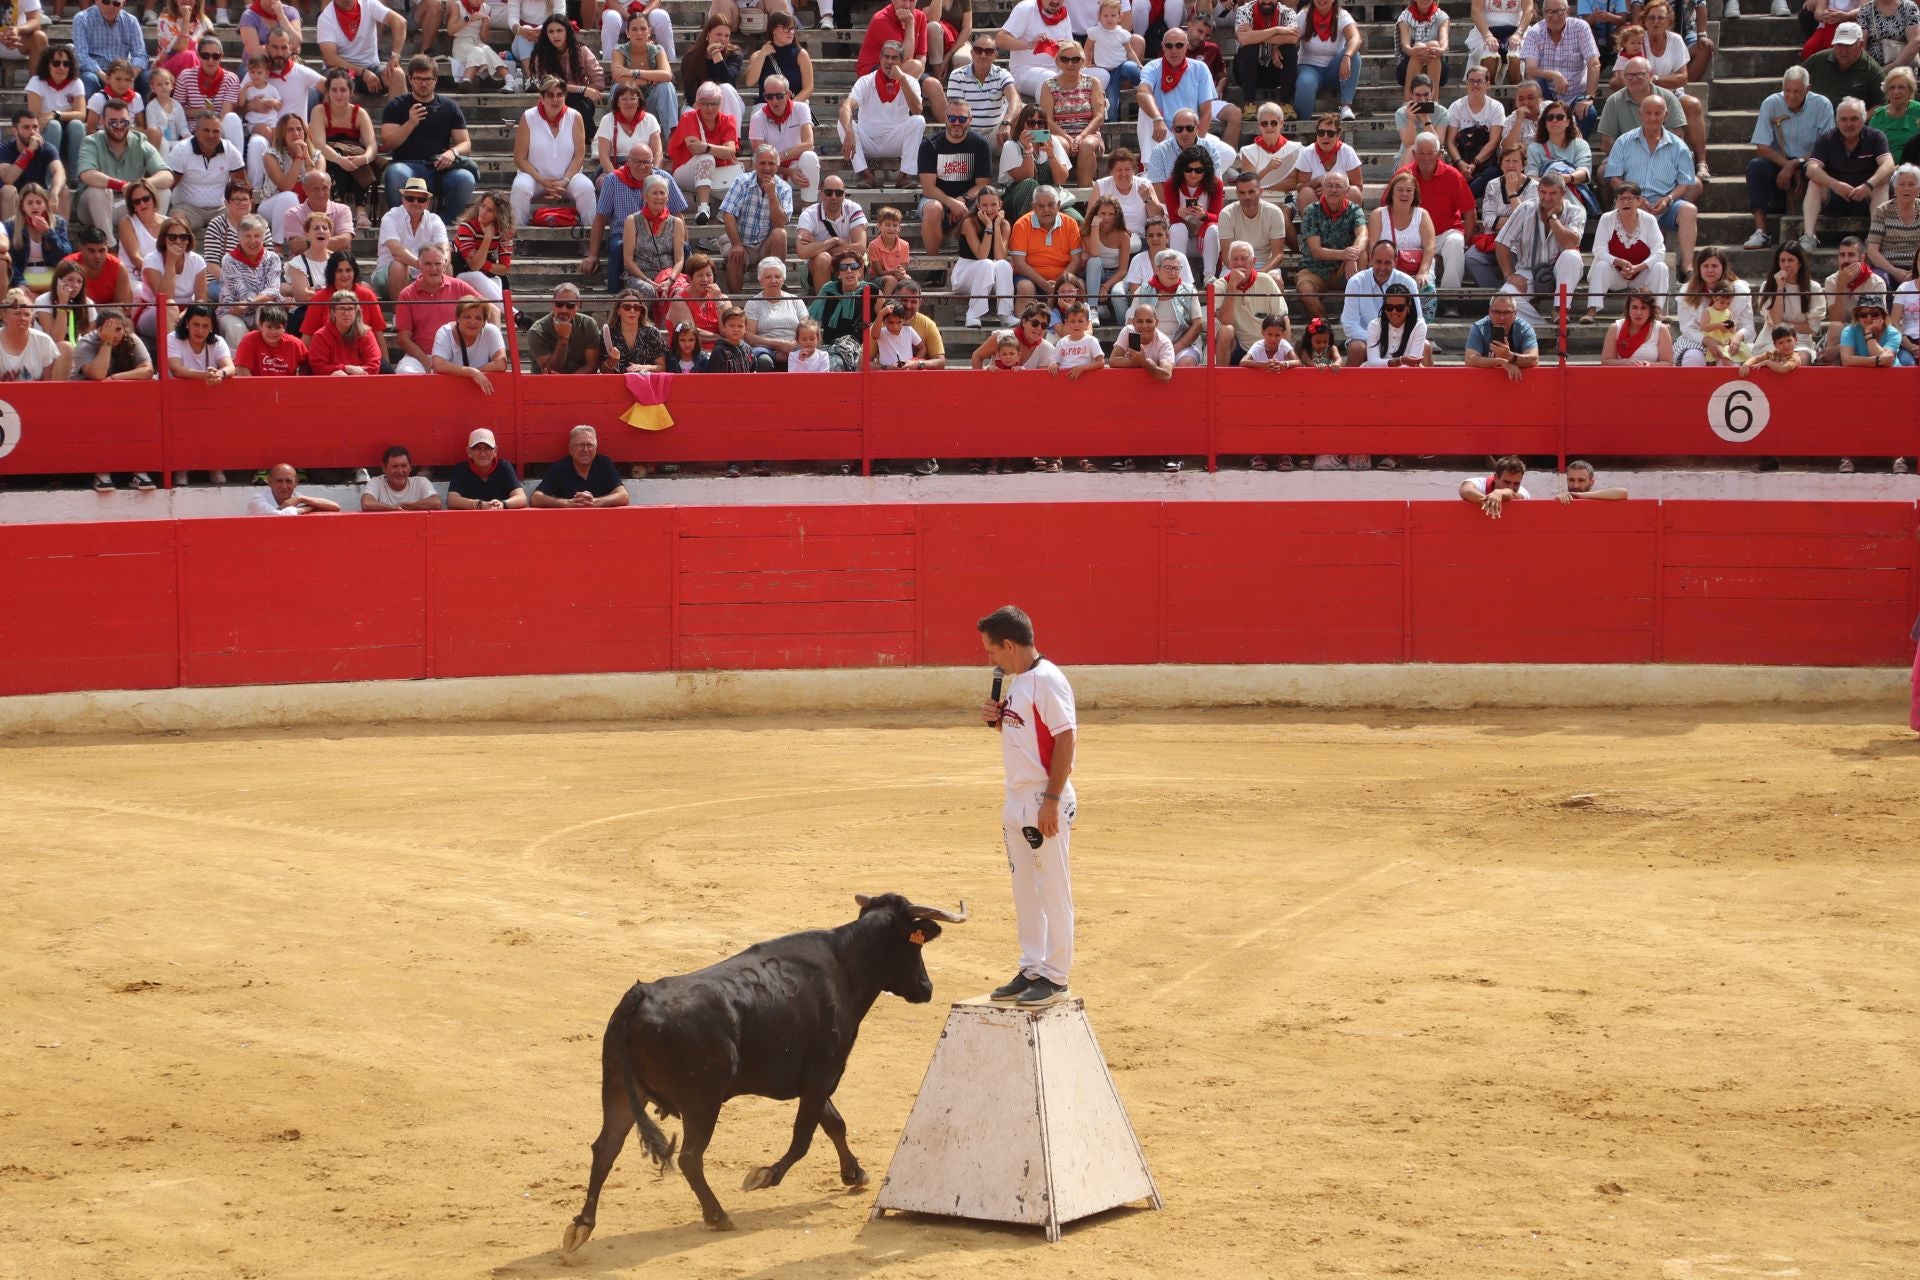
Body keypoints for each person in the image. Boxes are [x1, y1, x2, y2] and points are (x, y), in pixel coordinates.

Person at [977, 604, 1078, 1009]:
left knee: (1052, 888)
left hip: (1042, 799)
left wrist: (1052, 800)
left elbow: (1067, 739)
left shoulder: (1048, 680)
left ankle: (1056, 976)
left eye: (992, 651)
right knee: (1025, 890)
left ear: (1009, 645)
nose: (990, 659)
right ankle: (1032, 967)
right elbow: (1026, 733)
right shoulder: (1018, 682)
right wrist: (997, 720)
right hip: (1018, 798)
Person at [1601, 91, 1699, 271]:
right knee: (1623, 206)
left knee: (1689, 210)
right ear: (1640, 114)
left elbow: (1685, 182)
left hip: (1665, 204)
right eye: (1648, 112)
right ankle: (1624, 264)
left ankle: (1687, 266)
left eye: (1658, 113)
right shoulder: (1624, 141)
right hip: (1632, 200)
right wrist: (1634, 198)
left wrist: (1669, 199)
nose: (1653, 118)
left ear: (1666, 115)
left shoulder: (1679, 146)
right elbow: (1614, 177)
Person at [1745, 67, 1835, 250]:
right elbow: (1762, 147)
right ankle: (1761, 230)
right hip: (1779, 160)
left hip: (1809, 159)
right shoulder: (1771, 103)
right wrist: (1787, 165)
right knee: (1756, 167)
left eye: (1797, 91)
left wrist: (1796, 163)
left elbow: (1826, 147)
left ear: (1807, 89)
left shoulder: (1822, 105)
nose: (1791, 96)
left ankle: (1810, 232)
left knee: (1814, 169)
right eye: (1787, 91)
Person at [379, 55, 476, 220]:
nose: (423, 83)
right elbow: (388, 143)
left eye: (428, 79)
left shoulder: (449, 107)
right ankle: (401, 223)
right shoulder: (396, 106)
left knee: (465, 178)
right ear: (410, 79)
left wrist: (452, 153)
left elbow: (466, 144)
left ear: (435, 80)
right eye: (418, 79)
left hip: (439, 168)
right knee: (394, 173)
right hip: (407, 166)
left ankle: (442, 224)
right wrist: (410, 123)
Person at [1484, 171, 1585, 324]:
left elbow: (1571, 243)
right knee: (1505, 296)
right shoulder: (1526, 208)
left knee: (1572, 256)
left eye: (1552, 193)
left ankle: (1559, 310)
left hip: (1561, 271)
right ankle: (1543, 327)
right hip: (1528, 270)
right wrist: (1510, 275)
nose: (1546, 197)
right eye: (1543, 192)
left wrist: (1553, 218)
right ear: (1538, 191)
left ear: (1563, 193)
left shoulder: (1575, 211)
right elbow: (1501, 242)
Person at [582, 145, 684, 296]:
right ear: (628, 161)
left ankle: (684, 289)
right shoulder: (613, 180)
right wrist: (592, 254)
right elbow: (600, 217)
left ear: (652, 162)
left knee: (685, 249)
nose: (642, 166)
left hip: (660, 230)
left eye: (646, 162)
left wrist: (682, 239)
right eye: (637, 161)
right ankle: (615, 294)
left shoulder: (664, 179)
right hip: (623, 233)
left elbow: (678, 213)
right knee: (619, 247)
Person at [1802, 96, 1894, 252]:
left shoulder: (1875, 136)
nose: (1849, 124)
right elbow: (1811, 168)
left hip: (1865, 197)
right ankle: (1809, 235)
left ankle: (1874, 237)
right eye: (1844, 119)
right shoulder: (1826, 138)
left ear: (1864, 119)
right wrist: (1835, 185)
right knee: (1814, 183)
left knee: (1882, 184)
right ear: (1837, 121)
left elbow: (1889, 164)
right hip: (1835, 196)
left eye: (1854, 119)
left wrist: (1868, 185)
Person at [1398, 132, 1475, 306]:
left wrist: (1467, 242)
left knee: (1456, 242)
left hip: (1446, 233)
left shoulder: (1453, 175)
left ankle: (1450, 300)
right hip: (1415, 235)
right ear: (1414, 154)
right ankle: (1414, 301)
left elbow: (1470, 212)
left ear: (1439, 154)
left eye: (1430, 153)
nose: (1426, 158)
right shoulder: (1404, 175)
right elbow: (1389, 207)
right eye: (1422, 153)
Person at [512, 77, 597, 230]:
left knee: (587, 188)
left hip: (567, 178)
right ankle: (519, 238)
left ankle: (587, 239)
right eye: (550, 95)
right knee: (520, 188)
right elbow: (519, 158)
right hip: (535, 177)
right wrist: (541, 179)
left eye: (559, 95)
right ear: (541, 97)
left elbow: (579, 156)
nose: (555, 99)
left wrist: (565, 180)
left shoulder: (575, 117)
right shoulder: (529, 117)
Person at [838, 41, 925, 189]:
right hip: (868, 141)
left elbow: (917, 110)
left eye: (895, 58)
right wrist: (849, 132)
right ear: (880, 58)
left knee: (918, 121)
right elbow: (846, 106)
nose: (890, 61)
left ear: (902, 61)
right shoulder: (866, 81)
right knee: (843, 123)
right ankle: (867, 176)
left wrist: (902, 79)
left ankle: (904, 176)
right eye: (886, 57)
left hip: (896, 141)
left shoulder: (910, 82)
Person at [76, 99, 171, 233]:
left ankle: (152, 238)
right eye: (113, 122)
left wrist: (139, 186)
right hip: (93, 209)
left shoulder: (140, 141)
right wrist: (121, 185)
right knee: (99, 191)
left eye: (124, 122)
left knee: (163, 191)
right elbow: (87, 174)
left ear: (130, 120)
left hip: (129, 204)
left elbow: (167, 176)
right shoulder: (91, 142)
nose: (119, 126)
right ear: (102, 121)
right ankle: (108, 245)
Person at [1583, 183, 1668, 318]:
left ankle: (1657, 311)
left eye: (1630, 199)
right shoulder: (1607, 219)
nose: (1625, 202)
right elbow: (1598, 250)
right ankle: (1591, 311)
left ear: (1639, 201)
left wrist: (1638, 268)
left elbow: (1659, 251)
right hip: (1616, 276)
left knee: (1661, 267)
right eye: (1621, 199)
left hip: (1640, 277)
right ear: (1616, 201)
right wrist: (1618, 262)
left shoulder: (1649, 220)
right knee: (1601, 265)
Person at [392, 243, 479, 372]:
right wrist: (427, 362)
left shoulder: (459, 286)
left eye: (437, 264)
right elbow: (403, 338)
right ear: (419, 265)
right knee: (404, 372)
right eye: (428, 264)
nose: (433, 269)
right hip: (421, 357)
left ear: (444, 265)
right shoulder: (407, 294)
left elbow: (489, 307)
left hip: (457, 355)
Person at [718, 143, 790, 294]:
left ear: (777, 166)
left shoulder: (784, 188)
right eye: (762, 163)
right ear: (755, 164)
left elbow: (780, 224)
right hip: (741, 240)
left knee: (780, 234)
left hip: (766, 243)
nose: (767, 168)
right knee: (734, 255)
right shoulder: (741, 181)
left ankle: (776, 292)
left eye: (771, 163)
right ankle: (736, 302)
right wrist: (737, 244)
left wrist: (772, 195)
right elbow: (728, 214)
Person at [310, 67, 378, 227]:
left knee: (360, 160)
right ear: (328, 91)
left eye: (343, 90)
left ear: (350, 91)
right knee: (332, 162)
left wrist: (364, 158)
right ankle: (335, 208)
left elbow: (372, 144)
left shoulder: (359, 113)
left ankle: (361, 210)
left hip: (353, 155)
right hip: (329, 155)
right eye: (334, 90)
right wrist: (339, 159)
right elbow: (319, 143)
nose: (339, 95)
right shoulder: (319, 111)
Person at [668, 83, 743, 225]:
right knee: (705, 157)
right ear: (697, 104)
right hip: (686, 173)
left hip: (717, 173)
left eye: (714, 104)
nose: (710, 108)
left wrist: (706, 146)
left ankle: (721, 218)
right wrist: (718, 150)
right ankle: (703, 208)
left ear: (720, 104)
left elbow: (731, 151)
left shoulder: (728, 120)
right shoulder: (688, 118)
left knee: (748, 186)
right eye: (705, 103)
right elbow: (694, 148)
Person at [1295, 170, 1365, 316]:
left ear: (1347, 191)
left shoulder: (1355, 210)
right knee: (1305, 291)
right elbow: (1316, 250)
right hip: (1315, 269)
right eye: (1329, 185)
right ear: (1323, 189)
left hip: (1343, 269)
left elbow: (1363, 234)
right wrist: (1344, 254)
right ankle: (1325, 326)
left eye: (1338, 186)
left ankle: (1352, 316)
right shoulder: (1311, 211)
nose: (1333, 190)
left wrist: (1352, 256)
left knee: (1362, 254)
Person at [1672, 247, 1754, 366]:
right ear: (1698, 268)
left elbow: (1748, 326)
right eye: (1706, 266)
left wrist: (1737, 337)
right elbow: (1687, 328)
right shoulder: (1688, 291)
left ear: (1723, 268)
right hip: (1699, 340)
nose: (1710, 270)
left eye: (1715, 266)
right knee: (1692, 358)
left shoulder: (1739, 290)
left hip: (1729, 341)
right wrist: (1707, 341)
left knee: (1728, 362)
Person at [1340, 240, 1417, 361]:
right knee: (1356, 348)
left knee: (1426, 347)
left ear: (1395, 262)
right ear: (1370, 259)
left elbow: (1417, 319)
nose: (1382, 267)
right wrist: (1377, 341)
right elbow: (1350, 324)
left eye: (1387, 263)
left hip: (1401, 340)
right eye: (1378, 262)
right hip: (1365, 339)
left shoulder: (1408, 282)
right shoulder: (1356, 282)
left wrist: (1395, 342)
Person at [1212, 237, 1284, 364]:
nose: (1239, 263)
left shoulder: (1266, 280)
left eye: (1244, 258)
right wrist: (1232, 286)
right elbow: (1225, 320)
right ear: (1229, 262)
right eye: (1235, 259)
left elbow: (1283, 317)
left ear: (1253, 261)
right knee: (1225, 330)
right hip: (1237, 346)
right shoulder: (1220, 285)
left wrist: (1284, 354)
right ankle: (1220, 379)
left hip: (1266, 346)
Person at [314, 0, 407, 100]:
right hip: (343, 71)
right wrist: (362, 72)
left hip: (371, 68)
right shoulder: (326, 17)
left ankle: (399, 115)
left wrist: (395, 56)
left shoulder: (369, 3)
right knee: (335, 82)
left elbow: (399, 22)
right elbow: (330, 59)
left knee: (397, 74)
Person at [377, 176, 451, 300]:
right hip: (389, 277)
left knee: (448, 266)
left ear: (427, 203)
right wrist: (423, 266)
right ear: (403, 200)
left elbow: (445, 249)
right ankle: (398, 316)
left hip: (424, 273)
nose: (415, 203)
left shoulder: (435, 220)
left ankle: (441, 312)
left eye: (421, 199)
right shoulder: (391, 217)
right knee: (398, 265)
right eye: (410, 198)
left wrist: (442, 264)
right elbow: (397, 251)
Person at [747, 75, 815, 209]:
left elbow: (809, 144)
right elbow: (760, 159)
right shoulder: (757, 118)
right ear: (764, 96)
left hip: (795, 166)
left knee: (810, 157)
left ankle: (809, 209)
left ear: (789, 94)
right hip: (771, 171)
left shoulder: (801, 108)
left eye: (779, 96)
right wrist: (788, 171)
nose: (774, 101)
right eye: (769, 96)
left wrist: (779, 157)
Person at [216, 213, 283, 348]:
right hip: (233, 312)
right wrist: (251, 301)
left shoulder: (273, 258)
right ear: (239, 237)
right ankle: (238, 366)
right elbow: (242, 291)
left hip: (262, 309)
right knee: (236, 328)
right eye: (247, 236)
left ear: (263, 237)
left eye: (257, 236)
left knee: (267, 313)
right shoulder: (229, 260)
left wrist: (249, 302)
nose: (253, 241)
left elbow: (273, 290)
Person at [1010, 185, 1084, 299]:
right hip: (1030, 279)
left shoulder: (1070, 224)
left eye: (1051, 205)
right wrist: (1044, 285)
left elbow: (1076, 260)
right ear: (1033, 206)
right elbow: (1019, 264)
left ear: (1058, 205)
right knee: (1025, 287)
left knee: (1080, 285)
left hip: (1063, 279)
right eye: (1041, 206)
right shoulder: (1021, 225)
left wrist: (1059, 284)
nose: (1046, 210)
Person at [1814, 234, 1880, 359]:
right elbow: (1837, 318)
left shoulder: (1876, 282)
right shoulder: (1831, 281)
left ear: (1862, 258)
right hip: (1841, 331)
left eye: (1851, 255)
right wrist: (1842, 285)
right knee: (1836, 326)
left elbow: (1876, 323)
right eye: (1842, 255)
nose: (1845, 260)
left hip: (1867, 332)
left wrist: (1840, 348)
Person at [795, 174, 867, 291]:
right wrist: (834, 241)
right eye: (829, 192)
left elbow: (860, 248)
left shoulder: (853, 209)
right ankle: (824, 306)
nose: (833, 197)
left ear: (844, 194)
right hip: (813, 272)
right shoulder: (808, 214)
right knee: (823, 259)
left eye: (838, 193)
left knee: (853, 261)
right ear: (821, 193)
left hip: (845, 266)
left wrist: (818, 246)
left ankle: (853, 304)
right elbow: (802, 252)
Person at [533, 424, 632, 507]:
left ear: (596, 448)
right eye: (580, 445)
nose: (585, 450)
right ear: (571, 449)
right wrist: (567, 503)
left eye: (589, 445)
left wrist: (595, 502)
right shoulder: (560, 467)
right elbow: (535, 498)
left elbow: (623, 496)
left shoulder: (604, 464)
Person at [949, 34, 1020, 145]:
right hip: (967, 137)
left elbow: (1015, 99)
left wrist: (1006, 122)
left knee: (1024, 111)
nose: (982, 55)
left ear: (995, 55)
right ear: (972, 53)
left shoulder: (1002, 74)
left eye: (988, 51)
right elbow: (955, 112)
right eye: (978, 50)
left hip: (995, 136)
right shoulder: (957, 75)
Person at [1443, 65, 1507, 187]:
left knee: (1492, 174)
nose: (1475, 85)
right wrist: (1460, 163)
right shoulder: (1456, 106)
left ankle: (1464, 203)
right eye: (1471, 81)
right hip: (1461, 158)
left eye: (1479, 81)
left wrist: (1474, 164)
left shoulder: (1496, 107)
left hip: (1486, 161)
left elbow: (1494, 142)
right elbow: (1450, 142)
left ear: (1487, 84)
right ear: (1466, 83)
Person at [0, 112, 69, 224]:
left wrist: (54, 193)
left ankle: (60, 238)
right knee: (8, 190)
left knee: (63, 190)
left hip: (37, 198)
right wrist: (29, 151)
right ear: (14, 131)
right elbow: (8, 178)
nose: (32, 132)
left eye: (35, 127)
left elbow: (59, 172)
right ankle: (10, 238)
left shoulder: (47, 148)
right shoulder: (4, 149)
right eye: (26, 127)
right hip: (16, 200)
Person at [72, 0, 148, 101]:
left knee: (148, 77)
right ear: (97, 1)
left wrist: (130, 77)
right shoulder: (82, 19)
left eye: (116, 3)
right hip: (97, 72)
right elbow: (81, 55)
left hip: (124, 72)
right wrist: (105, 77)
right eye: (106, 1)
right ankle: (88, 116)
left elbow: (141, 55)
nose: (111, 7)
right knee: (88, 79)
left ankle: (145, 114)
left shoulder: (131, 21)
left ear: (123, 4)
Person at [1805, 24, 1885, 114]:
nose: (1843, 51)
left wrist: (1857, 121)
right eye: (1839, 45)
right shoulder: (1816, 60)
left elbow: (1881, 105)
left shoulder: (1873, 71)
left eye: (1848, 45)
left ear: (1861, 45)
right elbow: (1795, 82)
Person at [6, 182, 70, 293]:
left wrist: (48, 232)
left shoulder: (58, 222)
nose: (34, 206)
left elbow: (65, 254)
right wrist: (20, 283)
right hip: (23, 273)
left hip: (51, 271)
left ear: (45, 205)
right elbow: (11, 262)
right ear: (22, 206)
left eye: (39, 202)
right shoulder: (11, 225)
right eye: (29, 203)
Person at [528, 281, 603, 373]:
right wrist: (563, 338)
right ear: (552, 303)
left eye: (570, 305)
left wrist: (569, 383)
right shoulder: (537, 331)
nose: (564, 309)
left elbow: (592, 366)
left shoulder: (588, 324)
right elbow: (550, 370)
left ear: (579, 305)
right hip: (546, 385)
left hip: (579, 383)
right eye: (559, 304)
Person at [452, 189, 513, 302]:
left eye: (490, 210)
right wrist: (488, 238)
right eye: (482, 206)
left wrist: (483, 264)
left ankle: (509, 316)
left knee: (499, 282)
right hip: (460, 271)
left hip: (485, 272)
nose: (483, 212)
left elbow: (504, 268)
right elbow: (474, 266)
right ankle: (517, 316)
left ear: (499, 214)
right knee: (478, 277)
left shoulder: (504, 232)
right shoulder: (466, 227)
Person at [1465, 293, 1539, 381]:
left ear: (1515, 313)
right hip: (1484, 381)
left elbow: (1534, 360)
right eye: (1497, 312)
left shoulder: (1524, 328)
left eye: (1507, 312)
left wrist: (1510, 356)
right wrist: (1501, 361)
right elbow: (1470, 360)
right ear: (1489, 312)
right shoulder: (1479, 327)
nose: (1502, 318)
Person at [447, 427, 526, 509]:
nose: (483, 454)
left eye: (488, 448)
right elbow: (452, 500)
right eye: (477, 448)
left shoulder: (504, 467)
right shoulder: (461, 469)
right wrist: (480, 505)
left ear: (495, 451)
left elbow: (522, 498)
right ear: (469, 452)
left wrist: (503, 504)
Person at [308, 293, 383, 374]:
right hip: (331, 383)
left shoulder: (365, 334)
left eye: (350, 309)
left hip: (362, 382)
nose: (346, 313)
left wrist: (351, 377)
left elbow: (374, 366)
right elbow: (318, 368)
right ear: (333, 312)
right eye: (342, 308)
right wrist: (345, 368)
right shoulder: (321, 336)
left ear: (356, 312)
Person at [360, 444, 442, 511]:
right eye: (395, 466)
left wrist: (407, 506)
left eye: (404, 466)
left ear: (410, 467)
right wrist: (395, 508)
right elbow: (366, 503)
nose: (400, 471)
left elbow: (436, 502)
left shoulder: (421, 482)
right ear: (384, 468)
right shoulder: (376, 482)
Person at [1599, 285, 1671, 361]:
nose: (1638, 312)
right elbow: (1606, 361)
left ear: (1651, 310)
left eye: (1643, 308)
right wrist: (1623, 363)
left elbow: (1668, 363)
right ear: (1628, 308)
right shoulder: (1615, 328)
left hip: (1650, 373)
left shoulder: (1661, 329)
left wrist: (1648, 366)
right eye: (1634, 307)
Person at [602, 287, 667, 371]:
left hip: (645, 382)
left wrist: (644, 367)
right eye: (627, 307)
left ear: (641, 311)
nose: (632, 311)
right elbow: (602, 371)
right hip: (615, 383)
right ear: (618, 310)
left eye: (636, 307)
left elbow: (662, 367)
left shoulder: (652, 333)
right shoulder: (608, 334)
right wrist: (610, 362)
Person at [233, 303, 307, 375]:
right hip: (257, 386)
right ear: (260, 325)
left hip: (287, 387)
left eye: (278, 327)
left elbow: (306, 365)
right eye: (269, 327)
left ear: (284, 327)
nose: (273, 332)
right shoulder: (249, 341)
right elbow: (242, 370)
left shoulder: (295, 344)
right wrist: (255, 387)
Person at [249, 462, 341, 514]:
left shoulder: (297, 497)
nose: (284, 486)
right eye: (279, 481)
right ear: (270, 481)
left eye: (289, 481)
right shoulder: (257, 500)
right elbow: (279, 515)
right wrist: (306, 508)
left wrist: (302, 498)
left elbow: (335, 507)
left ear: (296, 483)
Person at [1461, 454, 1531, 517]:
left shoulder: (1523, 492)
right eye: (1506, 482)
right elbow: (1466, 490)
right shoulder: (1481, 483)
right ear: (1495, 477)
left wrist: (1499, 493)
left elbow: (1513, 495)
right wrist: (1490, 501)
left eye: (1516, 483)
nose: (1511, 487)